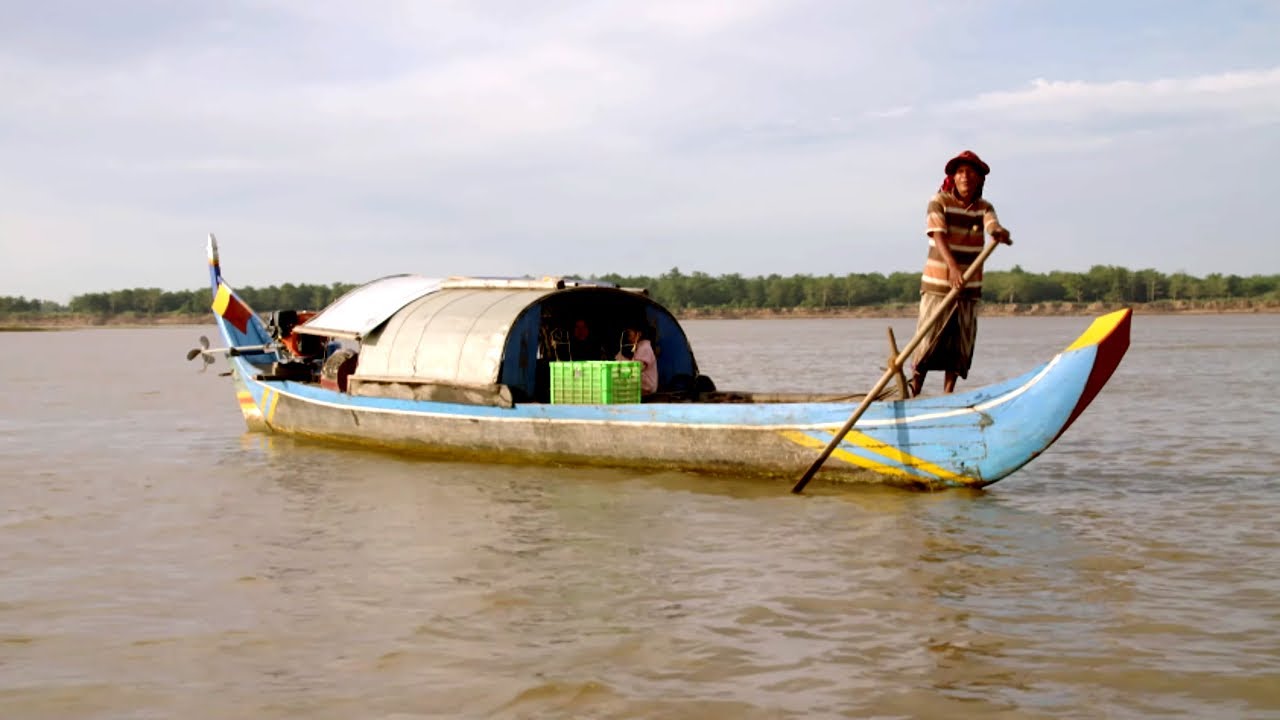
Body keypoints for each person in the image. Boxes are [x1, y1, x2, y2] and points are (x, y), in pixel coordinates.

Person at [908, 150, 1013, 396]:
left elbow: (991, 223)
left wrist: (998, 232)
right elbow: (938, 235)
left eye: (971, 172)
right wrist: (954, 269)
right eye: (961, 172)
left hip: (969, 287)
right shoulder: (939, 201)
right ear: (954, 178)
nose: (966, 177)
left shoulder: (984, 207)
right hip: (939, 283)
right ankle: (913, 394)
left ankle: (948, 396)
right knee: (927, 342)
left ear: (978, 179)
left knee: (960, 346)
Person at [616, 325, 658, 396]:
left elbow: (636, 368)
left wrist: (621, 360)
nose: (628, 336)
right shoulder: (640, 347)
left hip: (647, 387)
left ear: (639, 334)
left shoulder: (644, 348)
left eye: (631, 333)